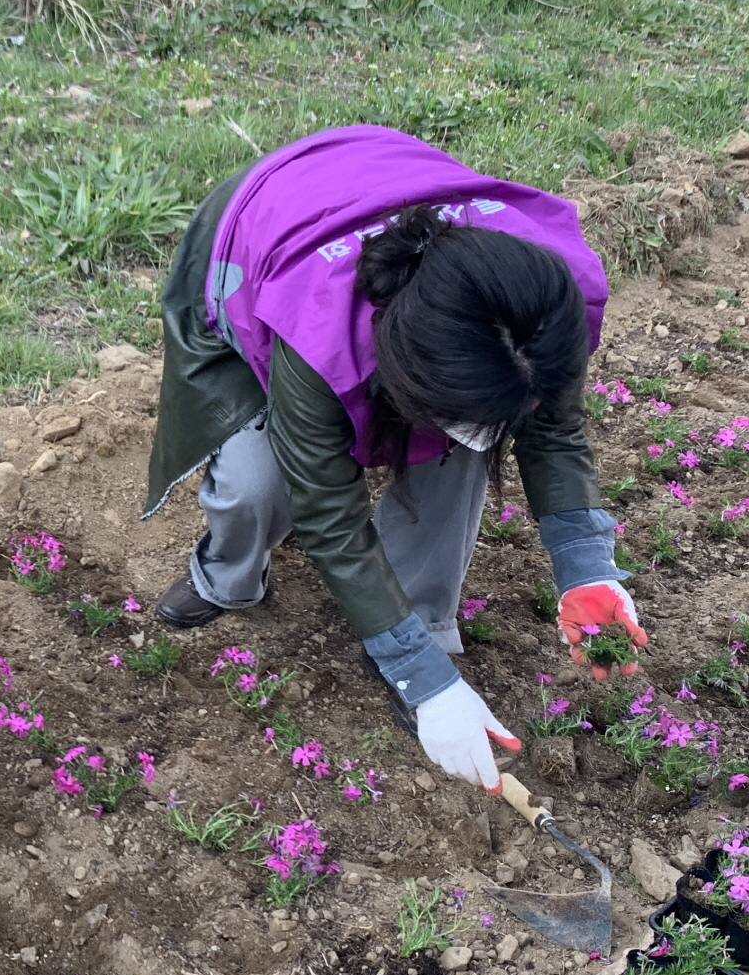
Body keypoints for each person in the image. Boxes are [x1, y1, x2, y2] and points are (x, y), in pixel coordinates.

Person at [143, 125, 648, 791]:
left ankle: (421, 625)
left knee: (459, 454)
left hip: (385, 191)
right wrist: (428, 685)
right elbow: (329, 512)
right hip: (261, 244)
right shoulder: (319, 328)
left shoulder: (536, 305)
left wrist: (586, 569)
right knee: (258, 484)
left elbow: (553, 428)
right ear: (404, 373)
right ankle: (225, 577)